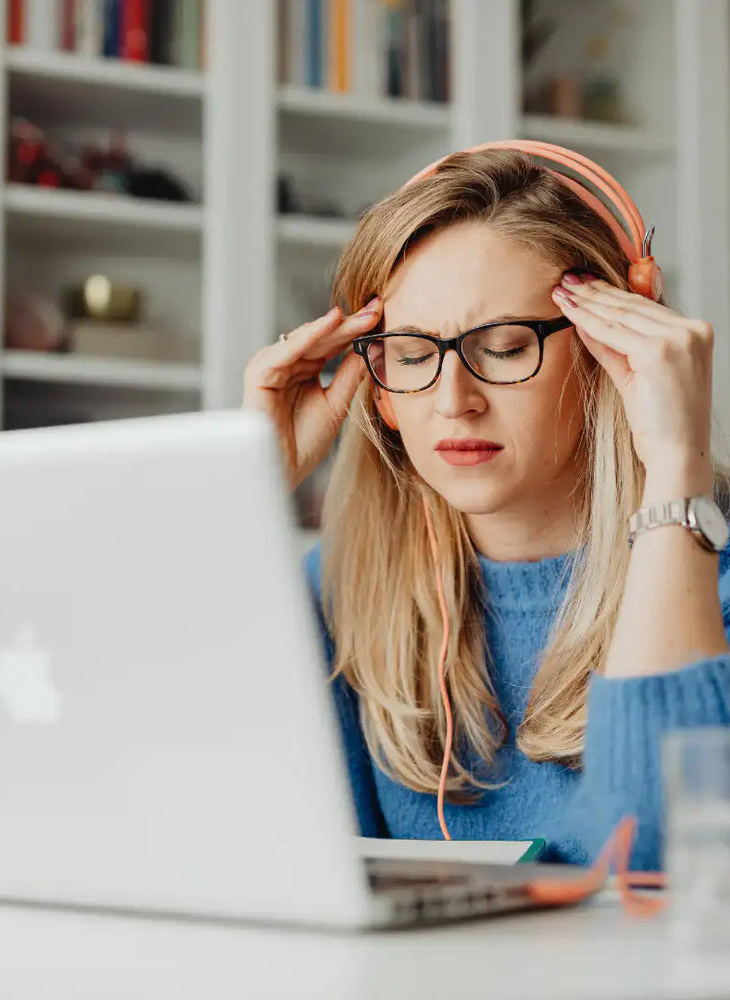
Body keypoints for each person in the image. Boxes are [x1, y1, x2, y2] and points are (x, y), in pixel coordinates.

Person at [242, 144, 730, 871]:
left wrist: (673, 469)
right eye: (411, 355)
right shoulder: (341, 589)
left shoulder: (710, 578)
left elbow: (660, 866)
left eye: (503, 348)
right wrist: (245, 491)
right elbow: (254, 845)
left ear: (614, 349)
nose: (453, 401)